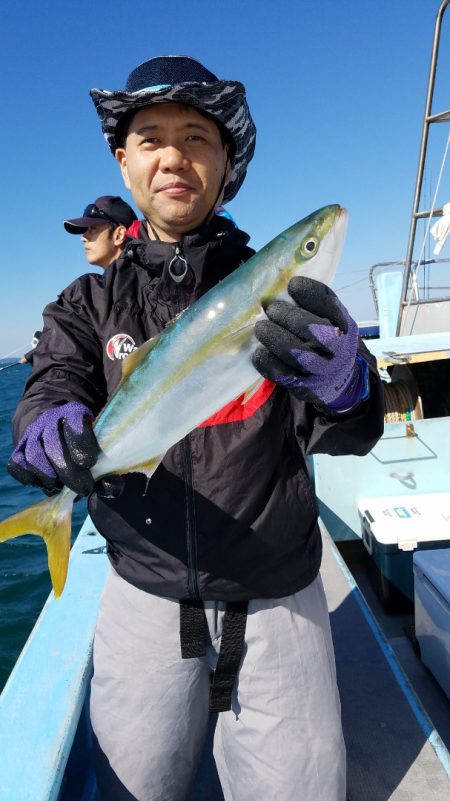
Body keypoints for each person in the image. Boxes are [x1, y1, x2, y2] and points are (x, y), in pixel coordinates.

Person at [7, 56, 384, 801]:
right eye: (151, 139)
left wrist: (349, 390)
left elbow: (354, 430)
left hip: (277, 596)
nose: (174, 157)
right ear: (124, 162)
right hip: (142, 593)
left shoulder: (281, 295)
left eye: (196, 138)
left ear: (225, 161)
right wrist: (46, 423)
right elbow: (53, 382)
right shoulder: (86, 305)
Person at [64, 195, 137, 269]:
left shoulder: (140, 275)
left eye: (93, 228)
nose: (83, 238)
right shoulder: (135, 273)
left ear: (119, 235)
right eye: (86, 230)